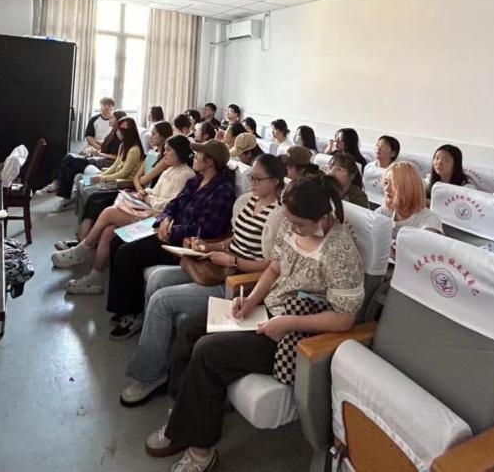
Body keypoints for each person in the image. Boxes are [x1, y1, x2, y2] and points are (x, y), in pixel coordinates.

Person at [145, 173, 364, 470]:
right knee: (189, 329)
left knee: (208, 352)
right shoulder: (291, 224)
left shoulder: (340, 251)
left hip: (295, 333)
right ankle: (185, 415)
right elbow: (274, 268)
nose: (292, 228)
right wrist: (250, 300)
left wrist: (288, 322)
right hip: (268, 312)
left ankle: (201, 454)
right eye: (290, 222)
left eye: (299, 224)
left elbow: (344, 318)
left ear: (323, 218)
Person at [119, 154, 286, 406]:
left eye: (258, 179)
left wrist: (233, 261)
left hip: (236, 280)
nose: (252, 183)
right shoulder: (249, 201)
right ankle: (155, 353)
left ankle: (150, 375)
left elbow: (271, 265)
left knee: (162, 300)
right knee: (158, 278)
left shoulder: (279, 216)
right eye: (251, 177)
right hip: (219, 264)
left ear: (275, 181)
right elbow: (235, 239)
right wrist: (208, 246)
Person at [106, 140, 236, 340]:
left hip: (187, 245)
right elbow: (173, 205)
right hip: (169, 233)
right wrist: (164, 219)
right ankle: (122, 306)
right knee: (117, 241)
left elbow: (206, 228)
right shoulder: (195, 182)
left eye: (199, 155)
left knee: (128, 253)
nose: (194, 157)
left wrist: (171, 231)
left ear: (210, 162)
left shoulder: (222, 190)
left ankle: (134, 313)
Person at [53, 135, 196, 294]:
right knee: (108, 232)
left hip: (158, 218)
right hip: (149, 208)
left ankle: (81, 250)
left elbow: (171, 205)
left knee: (108, 213)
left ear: (179, 153)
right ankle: (94, 277)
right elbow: (155, 192)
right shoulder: (169, 170)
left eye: (169, 150)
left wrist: (148, 198)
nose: (165, 154)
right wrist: (145, 193)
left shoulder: (185, 175)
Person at [71, 117, 145, 238]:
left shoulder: (134, 150)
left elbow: (124, 173)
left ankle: (83, 234)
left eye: (119, 130)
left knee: (90, 193)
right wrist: (101, 176)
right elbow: (115, 166)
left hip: (124, 184)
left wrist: (102, 179)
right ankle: (82, 230)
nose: (117, 133)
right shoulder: (123, 146)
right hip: (115, 180)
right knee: (83, 184)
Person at [44, 109, 126, 205]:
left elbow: (117, 157)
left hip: (105, 161)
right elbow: (105, 146)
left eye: (112, 118)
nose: (109, 119)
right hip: (99, 158)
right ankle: (62, 191)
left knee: (70, 159)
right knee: (70, 160)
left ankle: (59, 186)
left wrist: (100, 155)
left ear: (118, 120)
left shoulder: (120, 137)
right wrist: (95, 149)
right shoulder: (113, 132)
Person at [379, 162, 442, 236]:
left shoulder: (430, 219)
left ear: (408, 188)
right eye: (386, 183)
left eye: (393, 184)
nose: (387, 189)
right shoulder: (385, 210)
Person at [133, 120, 173, 192]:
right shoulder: (153, 152)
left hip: (154, 192)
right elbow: (136, 177)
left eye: (153, 134)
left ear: (163, 136)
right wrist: (140, 190)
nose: (150, 137)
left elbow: (144, 180)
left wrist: (140, 183)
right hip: (143, 191)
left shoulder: (167, 157)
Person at [362, 135, 399, 201]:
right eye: (378, 145)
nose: (378, 148)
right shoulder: (369, 166)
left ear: (393, 154)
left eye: (384, 147)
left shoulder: (397, 171)